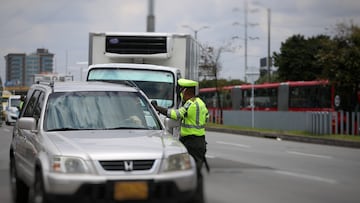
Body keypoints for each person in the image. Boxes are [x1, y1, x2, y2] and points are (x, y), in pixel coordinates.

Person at [151, 78, 209, 203]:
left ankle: (193, 198)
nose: (181, 94)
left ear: (187, 91)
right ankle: (197, 197)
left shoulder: (190, 104)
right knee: (197, 172)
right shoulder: (201, 103)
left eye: (182, 91)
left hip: (191, 142)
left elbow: (176, 115)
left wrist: (158, 108)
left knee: (189, 172)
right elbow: (207, 117)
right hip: (200, 142)